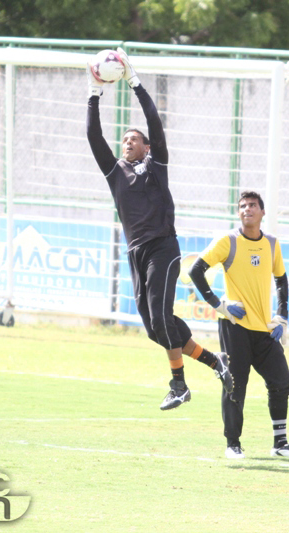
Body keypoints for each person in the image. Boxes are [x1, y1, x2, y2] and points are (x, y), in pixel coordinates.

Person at [86, 48, 233, 411]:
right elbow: (93, 136)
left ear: (147, 147)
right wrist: (94, 91)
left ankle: (179, 384)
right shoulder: (115, 172)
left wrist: (134, 82)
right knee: (155, 327)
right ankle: (217, 362)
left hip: (163, 249)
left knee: (160, 317)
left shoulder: (156, 165)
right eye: (124, 140)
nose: (126, 143)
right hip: (136, 253)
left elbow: (154, 122)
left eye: (132, 139)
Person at [189, 191, 289, 460]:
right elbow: (196, 270)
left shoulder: (272, 244)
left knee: (282, 381)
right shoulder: (228, 241)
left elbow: (282, 281)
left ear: (263, 212)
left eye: (253, 205)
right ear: (238, 212)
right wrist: (219, 305)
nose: (247, 209)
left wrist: (282, 317)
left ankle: (280, 443)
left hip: (264, 329)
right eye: (242, 206)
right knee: (235, 384)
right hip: (235, 327)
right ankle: (233, 444)